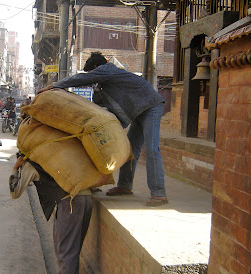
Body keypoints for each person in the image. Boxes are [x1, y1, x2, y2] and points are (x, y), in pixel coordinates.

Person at [38, 52, 168, 206]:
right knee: (130, 151)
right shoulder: (105, 85)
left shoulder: (108, 69)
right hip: (138, 111)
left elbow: (82, 79)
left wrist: (56, 85)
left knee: (152, 149)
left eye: (91, 73)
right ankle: (125, 186)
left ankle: (159, 193)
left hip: (151, 106)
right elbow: (96, 106)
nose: (91, 77)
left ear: (96, 68)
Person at [9, 154, 92, 274]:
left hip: (69, 203)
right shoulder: (54, 154)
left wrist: (16, 168)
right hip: (87, 198)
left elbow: (15, 192)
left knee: (66, 254)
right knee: (72, 251)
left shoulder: (31, 164)